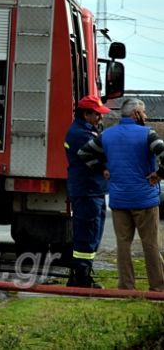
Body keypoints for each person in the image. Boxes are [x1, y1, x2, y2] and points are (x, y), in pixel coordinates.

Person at [79, 98, 164, 292]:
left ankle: (126, 286)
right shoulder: (148, 134)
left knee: (123, 245)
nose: (146, 116)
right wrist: (159, 175)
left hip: (119, 200)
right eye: (143, 112)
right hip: (145, 200)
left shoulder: (107, 135)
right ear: (135, 114)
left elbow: (84, 153)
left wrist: (102, 169)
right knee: (150, 244)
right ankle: (158, 287)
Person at [63, 94, 110, 288]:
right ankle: (80, 277)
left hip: (92, 190)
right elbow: (99, 157)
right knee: (87, 234)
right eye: (97, 114)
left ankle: (82, 273)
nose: (100, 118)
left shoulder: (86, 131)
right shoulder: (81, 134)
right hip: (87, 190)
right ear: (86, 114)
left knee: (92, 233)